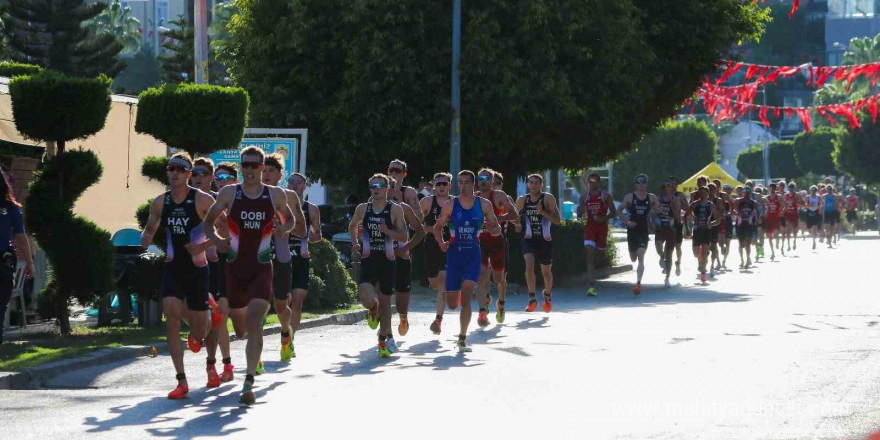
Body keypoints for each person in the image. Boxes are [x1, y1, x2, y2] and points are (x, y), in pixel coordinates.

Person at [201, 146, 297, 404]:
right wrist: (217, 240)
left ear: (262, 167)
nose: (251, 170)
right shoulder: (229, 193)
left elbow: (290, 221)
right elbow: (207, 223)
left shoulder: (274, 194)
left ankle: (249, 382)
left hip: (261, 269)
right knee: (241, 330)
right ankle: (249, 363)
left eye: (256, 165)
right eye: (246, 165)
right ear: (241, 166)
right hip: (234, 270)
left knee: (255, 325)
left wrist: (282, 230)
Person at [141, 152, 219, 400]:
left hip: (197, 269)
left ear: (188, 174)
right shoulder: (160, 202)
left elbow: (227, 231)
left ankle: (208, 313)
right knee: (170, 313)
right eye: (170, 168)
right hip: (174, 267)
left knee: (199, 333)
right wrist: (143, 243)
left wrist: (203, 247)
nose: (173, 173)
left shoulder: (203, 200)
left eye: (179, 169)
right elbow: (149, 230)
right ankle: (181, 381)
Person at [433, 170, 502, 352]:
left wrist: (492, 229)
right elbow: (437, 227)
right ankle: (454, 320)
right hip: (454, 256)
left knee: (466, 296)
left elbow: (496, 229)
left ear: (474, 184)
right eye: (460, 182)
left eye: (466, 182)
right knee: (452, 304)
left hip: (473, 255)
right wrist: (441, 243)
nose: (462, 186)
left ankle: (462, 338)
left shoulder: (484, 205)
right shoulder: (450, 205)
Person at [348, 174, 408, 358]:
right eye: (372, 185)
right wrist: (355, 243)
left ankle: (383, 340)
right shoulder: (362, 209)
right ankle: (372, 309)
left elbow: (404, 237)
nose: (376, 188)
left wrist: (388, 231)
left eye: (380, 185)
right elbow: (352, 226)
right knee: (366, 298)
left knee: (385, 303)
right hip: (368, 258)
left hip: (388, 260)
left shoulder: (395, 210)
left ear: (387, 189)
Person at [188, 157, 231, 387]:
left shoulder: (216, 202)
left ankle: (211, 364)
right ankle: (196, 331)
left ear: (211, 177)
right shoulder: (176, 200)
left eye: (203, 173)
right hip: (183, 267)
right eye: (195, 173)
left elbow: (226, 234)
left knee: (214, 318)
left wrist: (202, 247)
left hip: (211, 266)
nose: (198, 177)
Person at [262, 154, 306, 363]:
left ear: (280, 175)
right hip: (256, 257)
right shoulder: (248, 195)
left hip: (281, 255)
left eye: (271, 171)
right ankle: (256, 358)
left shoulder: (288, 196)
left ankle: (286, 333)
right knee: (258, 304)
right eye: (264, 170)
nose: (266, 174)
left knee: (281, 306)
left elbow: (302, 229)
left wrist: (283, 226)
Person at [203, 161, 238, 384]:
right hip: (205, 264)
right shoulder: (204, 202)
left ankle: (223, 364)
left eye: (227, 178)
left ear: (235, 180)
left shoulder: (240, 202)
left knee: (221, 317)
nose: (221, 181)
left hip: (231, 262)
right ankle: (214, 363)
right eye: (219, 177)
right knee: (211, 317)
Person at [386, 175, 425, 352]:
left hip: (400, 257)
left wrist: (405, 248)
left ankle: (403, 316)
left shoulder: (403, 208)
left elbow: (420, 232)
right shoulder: (368, 208)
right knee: (383, 297)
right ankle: (386, 335)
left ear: (394, 190)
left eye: (387, 187)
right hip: (380, 259)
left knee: (401, 298)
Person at [286, 172, 322, 357]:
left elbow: (318, 235)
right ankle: (285, 331)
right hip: (281, 257)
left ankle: (289, 340)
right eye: (290, 182)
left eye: (298, 182)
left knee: (297, 300)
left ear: (304, 187)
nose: (293, 185)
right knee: (283, 301)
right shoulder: (278, 206)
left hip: (300, 258)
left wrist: (308, 237)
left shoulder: (312, 209)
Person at [474, 169, 517, 319]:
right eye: (480, 178)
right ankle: (483, 309)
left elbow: (514, 215)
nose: (482, 180)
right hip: (480, 242)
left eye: (486, 178)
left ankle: (501, 303)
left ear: (492, 180)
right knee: (482, 275)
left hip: (497, 241)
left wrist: (497, 219)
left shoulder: (499, 196)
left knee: (498, 278)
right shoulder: (474, 197)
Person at [515, 174, 561, 312]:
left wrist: (543, 212)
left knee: (546, 272)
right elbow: (517, 219)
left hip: (545, 239)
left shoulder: (548, 198)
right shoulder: (522, 200)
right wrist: (517, 225)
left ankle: (547, 294)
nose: (534, 185)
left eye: (536, 183)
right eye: (531, 183)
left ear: (541, 185)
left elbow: (558, 221)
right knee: (529, 265)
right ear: (528, 185)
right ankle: (532, 299)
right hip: (529, 238)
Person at [0, 169, 33, 346]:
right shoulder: (11, 208)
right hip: (3, 261)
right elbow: (21, 237)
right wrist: (30, 263)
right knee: (1, 303)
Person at [420, 173, 453, 334]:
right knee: (434, 283)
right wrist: (433, 229)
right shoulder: (427, 202)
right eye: (438, 184)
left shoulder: (456, 202)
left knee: (443, 282)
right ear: (434, 186)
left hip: (449, 245)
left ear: (449, 186)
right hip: (431, 244)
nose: (441, 187)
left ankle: (438, 319)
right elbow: (416, 225)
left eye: (444, 184)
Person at [616, 174, 660, 295]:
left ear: (647, 184)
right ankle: (632, 252)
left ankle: (638, 283)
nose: (641, 185)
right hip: (632, 230)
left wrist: (656, 209)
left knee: (641, 255)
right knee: (633, 257)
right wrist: (627, 222)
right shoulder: (630, 197)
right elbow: (619, 211)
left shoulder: (651, 198)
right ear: (635, 184)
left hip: (644, 229)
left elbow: (658, 211)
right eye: (639, 182)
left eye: (643, 182)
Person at [578, 173, 616, 297]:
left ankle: (596, 272)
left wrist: (603, 218)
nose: (592, 183)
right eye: (590, 181)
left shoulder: (605, 196)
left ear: (599, 182)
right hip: (590, 227)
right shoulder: (584, 195)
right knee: (590, 255)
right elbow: (580, 211)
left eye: (594, 181)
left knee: (599, 255)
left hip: (602, 227)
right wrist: (579, 211)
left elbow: (614, 212)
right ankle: (591, 286)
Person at [687, 186, 719, 283]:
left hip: (706, 231)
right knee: (696, 253)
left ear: (708, 194)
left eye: (704, 193)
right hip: (697, 230)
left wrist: (711, 223)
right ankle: (701, 261)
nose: (703, 195)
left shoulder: (711, 205)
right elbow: (687, 214)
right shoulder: (695, 204)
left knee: (705, 252)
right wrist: (692, 220)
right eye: (701, 193)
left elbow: (718, 220)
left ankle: (703, 273)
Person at [653, 181, 680, 288]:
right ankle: (661, 256)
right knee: (658, 247)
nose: (665, 189)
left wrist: (672, 206)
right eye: (664, 187)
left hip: (671, 228)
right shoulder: (658, 199)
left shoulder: (675, 199)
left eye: (668, 187)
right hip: (660, 227)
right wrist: (654, 219)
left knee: (670, 255)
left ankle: (667, 278)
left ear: (671, 189)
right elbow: (653, 212)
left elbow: (678, 215)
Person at [733, 186, 758, 268]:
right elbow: (733, 209)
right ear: (743, 193)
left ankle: (747, 259)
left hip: (749, 224)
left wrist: (756, 219)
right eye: (745, 193)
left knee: (748, 244)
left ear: (750, 193)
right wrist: (737, 213)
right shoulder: (738, 201)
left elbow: (756, 212)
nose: (746, 194)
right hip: (740, 224)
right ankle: (742, 260)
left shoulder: (753, 202)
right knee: (741, 244)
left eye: (748, 193)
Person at [669, 176, 689, 276]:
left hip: (677, 222)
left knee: (677, 246)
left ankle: (678, 262)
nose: (672, 185)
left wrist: (679, 204)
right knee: (667, 245)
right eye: (670, 183)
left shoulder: (680, 195)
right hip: (666, 222)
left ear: (677, 185)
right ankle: (667, 263)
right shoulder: (665, 195)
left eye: (674, 183)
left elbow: (687, 208)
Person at [764, 183, 782, 260]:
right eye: (770, 188)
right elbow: (764, 206)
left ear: (775, 189)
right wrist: (764, 213)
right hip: (769, 218)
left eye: (773, 188)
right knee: (769, 236)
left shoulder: (779, 197)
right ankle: (772, 252)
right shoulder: (766, 198)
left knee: (776, 234)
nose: (772, 190)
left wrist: (782, 211)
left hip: (776, 217)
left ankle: (777, 241)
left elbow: (785, 204)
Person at [783, 182, 801, 252]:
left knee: (794, 230)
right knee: (788, 229)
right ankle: (788, 244)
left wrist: (796, 201)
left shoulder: (797, 195)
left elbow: (802, 203)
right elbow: (785, 204)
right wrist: (783, 211)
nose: (791, 188)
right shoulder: (785, 195)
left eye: (792, 187)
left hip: (795, 214)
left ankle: (794, 241)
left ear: (794, 188)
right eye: (790, 186)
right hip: (788, 214)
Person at [805, 185, 824, 250]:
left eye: (815, 190)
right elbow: (805, 205)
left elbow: (822, 204)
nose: (813, 192)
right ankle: (814, 240)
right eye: (812, 190)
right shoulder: (808, 197)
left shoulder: (818, 197)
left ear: (816, 191)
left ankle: (814, 242)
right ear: (810, 190)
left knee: (815, 227)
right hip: (810, 212)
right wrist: (809, 205)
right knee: (812, 227)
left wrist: (819, 207)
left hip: (816, 212)